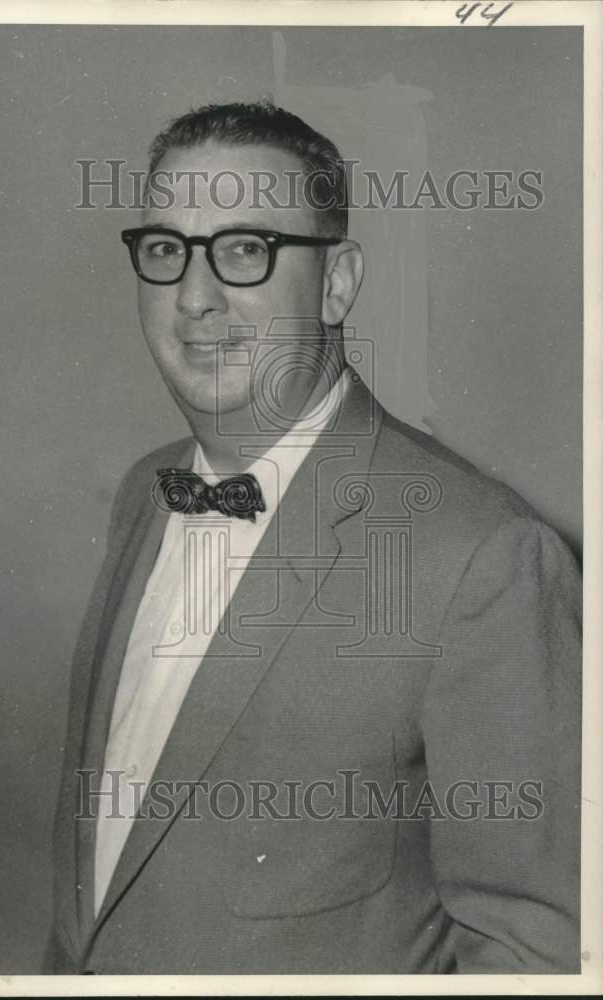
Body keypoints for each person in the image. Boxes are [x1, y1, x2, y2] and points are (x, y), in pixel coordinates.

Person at [46, 101, 581, 974]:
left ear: (337, 282)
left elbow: (539, 959)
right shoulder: (146, 497)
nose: (193, 297)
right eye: (165, 250)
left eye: (246, 250)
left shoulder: (486, 558)